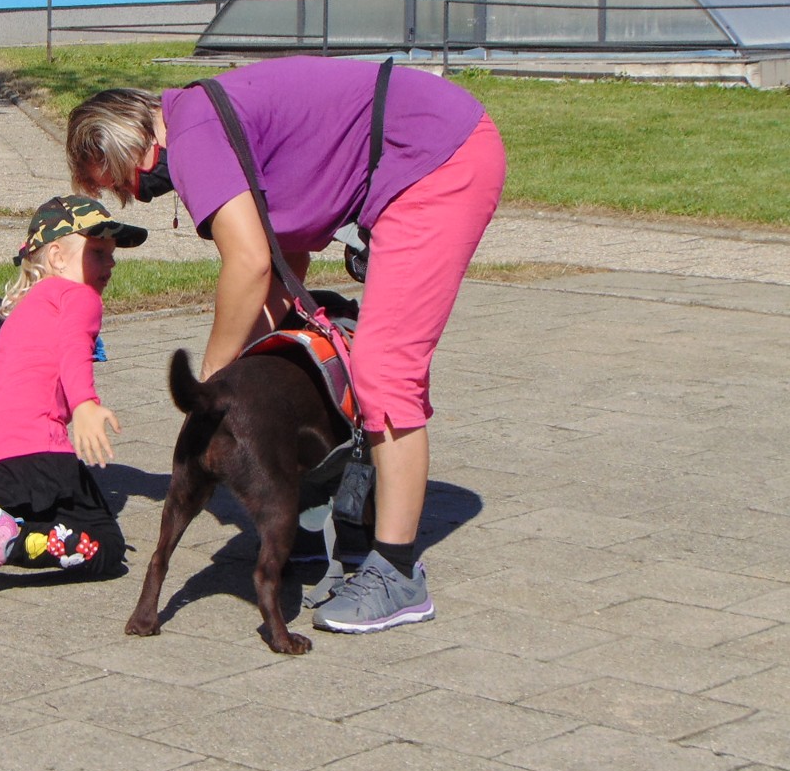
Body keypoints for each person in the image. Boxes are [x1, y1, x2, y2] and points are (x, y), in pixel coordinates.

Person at [65, 56, 506, 633]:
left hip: (434, 156)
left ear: (127, 145)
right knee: (304, 357)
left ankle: (397, 575)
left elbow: (249, 263)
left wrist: (214, 379)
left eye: (118, 182)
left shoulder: (193, 135)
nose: (133, 196)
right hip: (427, 144)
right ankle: (329, 521)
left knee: (384, 367)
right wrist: (250, 370)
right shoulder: (202, 118)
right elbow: (283, 259)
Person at [0, 195, 147, 596]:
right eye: (97, 252)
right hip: (32, 449)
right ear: (56, 256)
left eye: (111, 254)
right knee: (105, 544)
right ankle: (9, 543)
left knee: (20, 508)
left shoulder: (26, 307)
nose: (110, 263)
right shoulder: (80, 296)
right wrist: (84, 403)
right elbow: (74, 348)